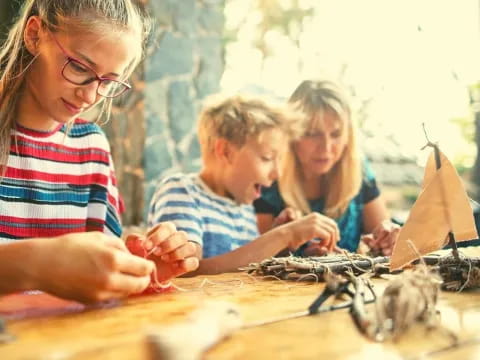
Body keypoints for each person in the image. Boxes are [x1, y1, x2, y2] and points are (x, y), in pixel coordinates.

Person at [0, 0, 198, 303]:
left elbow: (100, 284)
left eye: (108, 82)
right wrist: (38, 264)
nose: (91, 95)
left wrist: (143, 268)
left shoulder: (91, 146)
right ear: (34, 34)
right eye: (79, 67)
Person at [148, 94, 340, 275]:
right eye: (267, 158)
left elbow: (245, 269)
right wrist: (284, 235)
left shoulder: (244, 208)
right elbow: (187, 273)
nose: (278, 173)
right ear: (225, 151)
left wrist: (284, 245)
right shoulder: (182, 192)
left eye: (279, 159)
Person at [254, 80, 400, 256]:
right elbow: (255, 261)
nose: (326, 147)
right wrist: (301, 260)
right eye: (312, 134)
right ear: (292, 134)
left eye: (336, 134)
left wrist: (386, 241)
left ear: (348, 136)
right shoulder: (268, 177)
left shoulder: (359, 170)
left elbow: (383, 244)